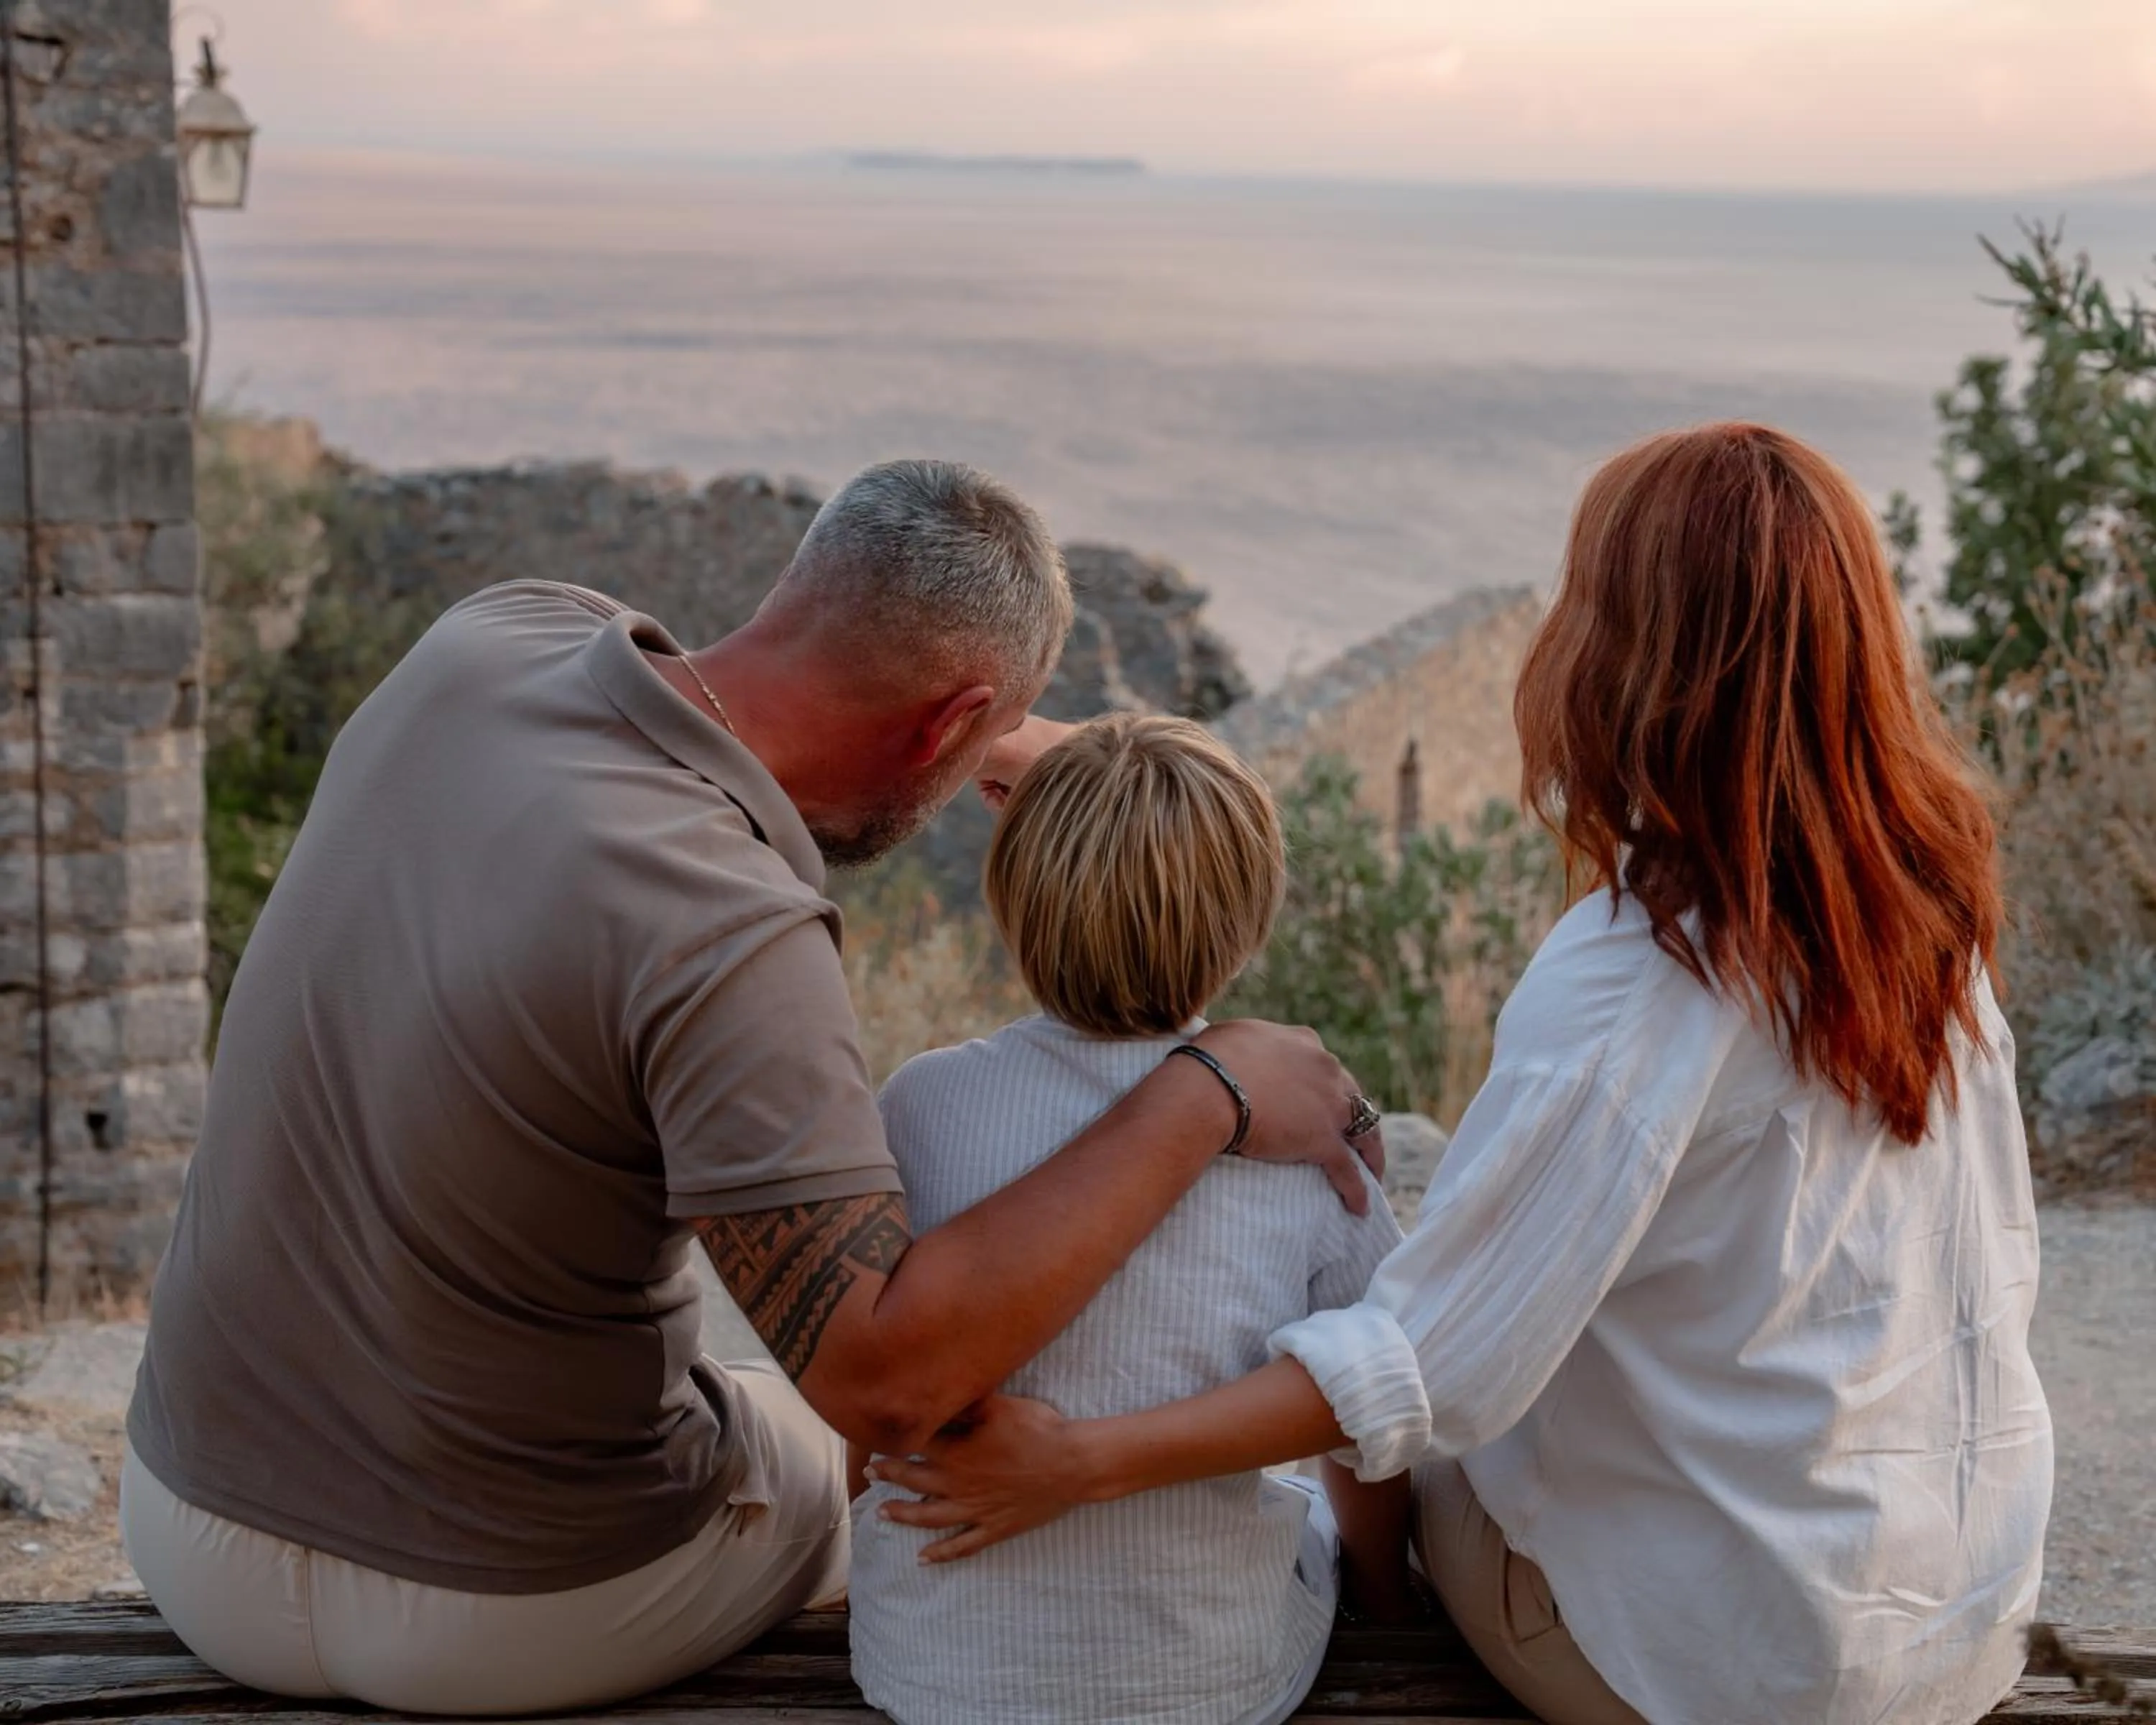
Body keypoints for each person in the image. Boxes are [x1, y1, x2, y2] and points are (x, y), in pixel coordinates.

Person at [121, 459, 1384, 1716]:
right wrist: (1205, 1087)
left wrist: (1072, 758)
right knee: (848, 1450)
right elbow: (889, 1388)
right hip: (502, 1611)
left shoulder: (492, 637)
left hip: (192, 1521)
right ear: (956, 726)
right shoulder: (733, 930)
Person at [872, 425, 2056, 1725]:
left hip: (1715, 1667)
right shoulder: (1918, 903)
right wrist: (1098, 781)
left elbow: (1422, 1374)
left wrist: (1078, 1464)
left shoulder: (1637, 979)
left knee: (1406, 1461)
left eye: (1585, 600)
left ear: (1632, 658)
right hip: (1944, 1619)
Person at [849, 714, 1419, 1725]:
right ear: (1248, 925)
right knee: (1306, 1521)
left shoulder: (917, 1106)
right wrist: (1381, 1596)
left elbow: (869, 1401)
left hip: (925, 1676)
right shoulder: (1303, 1151)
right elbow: (1370, 1412)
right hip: (1200, 1687)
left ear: (1009, 903)